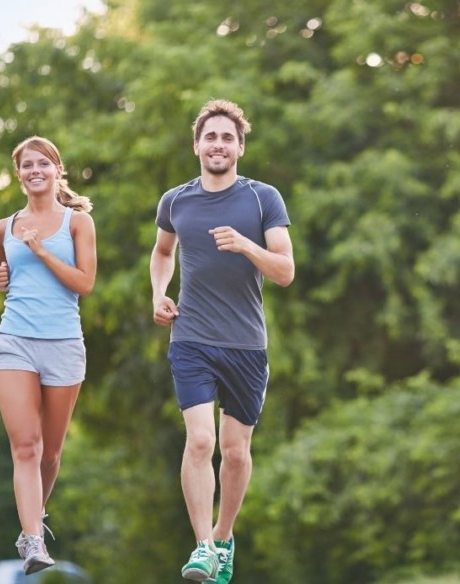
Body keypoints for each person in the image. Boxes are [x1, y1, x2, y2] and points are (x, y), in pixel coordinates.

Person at [150, 99, 294, 583]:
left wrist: (246, 244)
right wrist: (158, 293)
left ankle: (225, 536)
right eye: (210, 136)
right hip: (190, 338)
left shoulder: (262, 199)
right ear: (197, 145)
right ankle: (204, 548)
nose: (217, 144)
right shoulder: (176, 201)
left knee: (234, 452)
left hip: (247, 345)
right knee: (200, 441)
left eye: (226, 137)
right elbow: (162, 251)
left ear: (240, 147)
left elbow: (286, 271)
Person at [0, 136, 97, 575]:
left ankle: (34, 519)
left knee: (51, 453)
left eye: (43, 163)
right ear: (19, 175)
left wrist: (40, 251)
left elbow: (84, 283)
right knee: (26, 447)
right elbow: (1, 273)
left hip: (64, 344)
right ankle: (33, 540)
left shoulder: (78, 223)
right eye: (27, 165)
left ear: (57, 169)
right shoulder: (3, 227)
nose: (35, 170)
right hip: (14, 339)